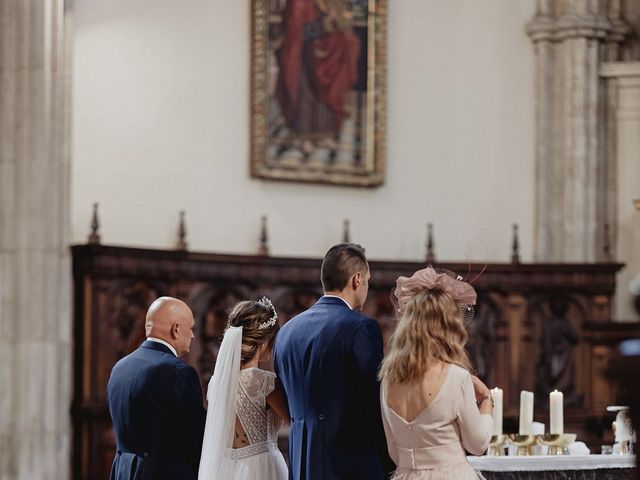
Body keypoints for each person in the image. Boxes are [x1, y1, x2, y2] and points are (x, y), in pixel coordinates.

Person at [273, 243, 393, 480]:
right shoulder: (360, 327)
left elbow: (286, 401)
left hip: (300, 462)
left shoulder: (287, 331)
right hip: (349, 462)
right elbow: (373, 402)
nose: (367, 288)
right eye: (368, 281)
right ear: (357, 279)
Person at [379, 267, 493, 480]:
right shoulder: (456, 377)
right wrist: (486, 401)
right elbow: (478, 445)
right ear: (449, 327)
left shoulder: (388, 378)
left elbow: (393, 450)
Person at [107, 297, 206, 480]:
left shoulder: (119, 368)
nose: (192, 335)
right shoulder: (179, 372)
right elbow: (197, 439)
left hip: (122, 473)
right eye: (191, 328)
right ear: (176, 329)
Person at [198, 298, 289, 480]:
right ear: (264, 341)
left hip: (227, 468)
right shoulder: (263, 382)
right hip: (263, 466)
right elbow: (293, 417)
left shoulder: (217, 382)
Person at [275, 0, 361, 156]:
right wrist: (324, 26)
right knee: (306, 96)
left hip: (327, 52)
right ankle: (303, 137)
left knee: (324, 101)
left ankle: (324, 135)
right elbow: (297, 31)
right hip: (304, 56)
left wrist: (340, 27)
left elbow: (339, 22)